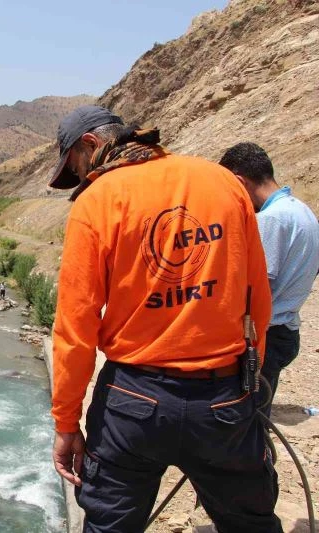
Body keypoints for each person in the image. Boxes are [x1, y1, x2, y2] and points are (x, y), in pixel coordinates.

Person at [47, 105, 279, 532]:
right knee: (251, 523)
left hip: (132, 403)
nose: (81, 177)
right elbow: (258, 300)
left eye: (76, 166)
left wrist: (66, 422)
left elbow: (75, 329)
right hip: (222, 398)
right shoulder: (222, 182)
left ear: (90, 144)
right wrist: (248, 379)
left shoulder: (97, 200)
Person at [219, 142, 319, 414]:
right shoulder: (301, 210)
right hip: (286, 328)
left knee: (245, 417)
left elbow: (255, 283)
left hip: (268, 334)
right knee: (259, 406)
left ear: (240, 181)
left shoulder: (271, 220)